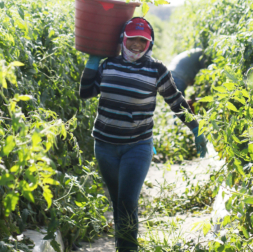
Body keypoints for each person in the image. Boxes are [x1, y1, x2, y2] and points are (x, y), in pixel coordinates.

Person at [79, 17, 207, 252]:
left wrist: (196, 129)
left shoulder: (156, 69)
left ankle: (129, 249)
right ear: (123, 40)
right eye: (132, 39)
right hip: (105, 146)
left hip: (137, 146)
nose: (136, 45)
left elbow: (176, 101)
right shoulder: (108, 65)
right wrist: (91, 64)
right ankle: (123, 246)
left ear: (149, 43)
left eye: (142, 40)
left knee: (127, 202)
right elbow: (86, 93)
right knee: (118, 202)